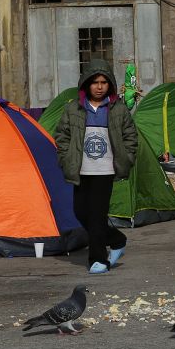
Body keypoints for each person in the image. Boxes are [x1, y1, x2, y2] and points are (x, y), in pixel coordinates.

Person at [55, 59, 138, 275]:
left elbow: (130, 136)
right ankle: (117, 239)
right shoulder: (74, 108)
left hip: (105, 170)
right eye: (95, 82)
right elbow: (62, 136)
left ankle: (99, 259)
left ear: (110, 84)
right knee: (80, 211)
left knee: (97, 215)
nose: (99, 87)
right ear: (86, 84)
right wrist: (65, 158)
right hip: (81, 170)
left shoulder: (117, 109)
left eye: (104, 82)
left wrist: (127, 157)